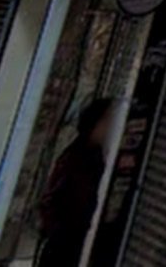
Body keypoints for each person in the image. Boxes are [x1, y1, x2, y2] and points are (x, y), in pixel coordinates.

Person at [27, 107, 116, 267]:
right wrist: (58, 233)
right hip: (66, 240)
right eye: (107, 122)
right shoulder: (75, 158)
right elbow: (50, 200)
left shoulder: (98, 155)